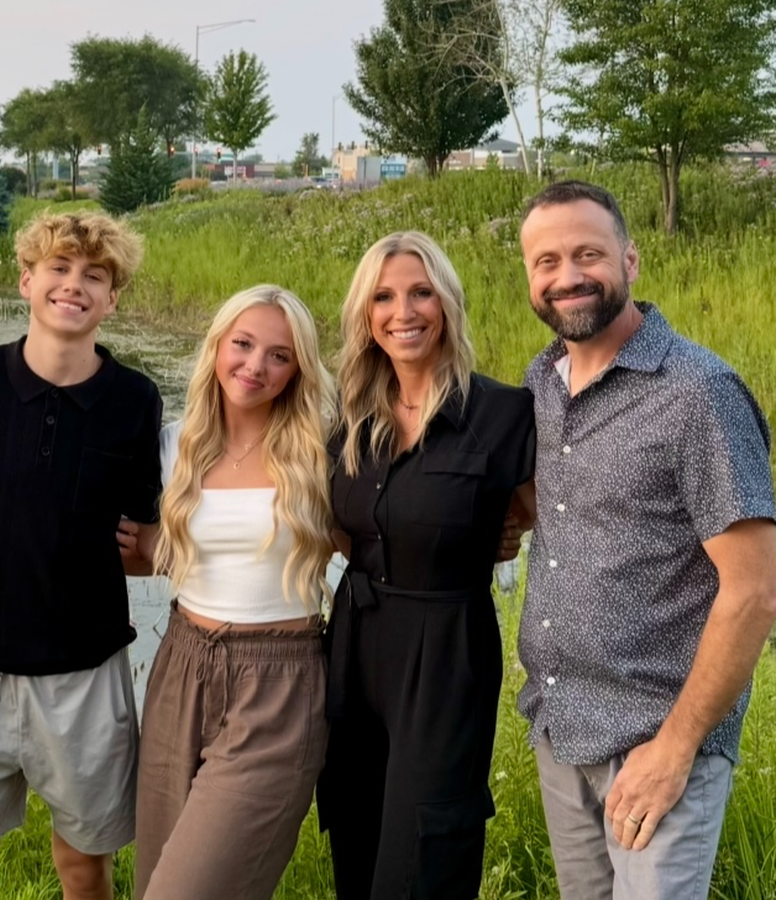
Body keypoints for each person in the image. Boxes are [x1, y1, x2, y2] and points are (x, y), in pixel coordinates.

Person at [516, 180, 776, 900]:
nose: (567, 276)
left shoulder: (698, 392)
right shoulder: (541, 384)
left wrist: (676, 748)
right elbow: (553, 510)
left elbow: (755, 592)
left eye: (588, 254)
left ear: (629, 260)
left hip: (657, 741)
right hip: (562, 729)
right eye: (546, 261)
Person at [0, 210, 161, 900]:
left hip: (86, 678)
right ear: (26, 280)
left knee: (85, 869)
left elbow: (144, 529)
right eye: (58, 267)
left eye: (95, 275)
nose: (74, 284)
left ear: (112, 299)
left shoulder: (134, 399)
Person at [319, 231, 536, 899]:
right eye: (383, 297)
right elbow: (341, 526)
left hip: (445, 652)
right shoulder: (347, 415)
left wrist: (494, 535)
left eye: (421, 293)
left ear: (447, 302)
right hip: (354, 644)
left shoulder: (501, 412)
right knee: (356, 840)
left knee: (423, 854)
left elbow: (541, 510)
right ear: (365, 314)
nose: (403, 312)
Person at [122, 285, 336, 900]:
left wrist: (502, 530)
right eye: (242, 344)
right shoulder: (173, 445)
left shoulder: (321, 450)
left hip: (279, 683)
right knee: (153, 880)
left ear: (298, 370)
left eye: (279, 355)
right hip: (181, 667)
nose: (255, 366)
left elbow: (390, 525)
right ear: (216, 346)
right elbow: (146, 553)